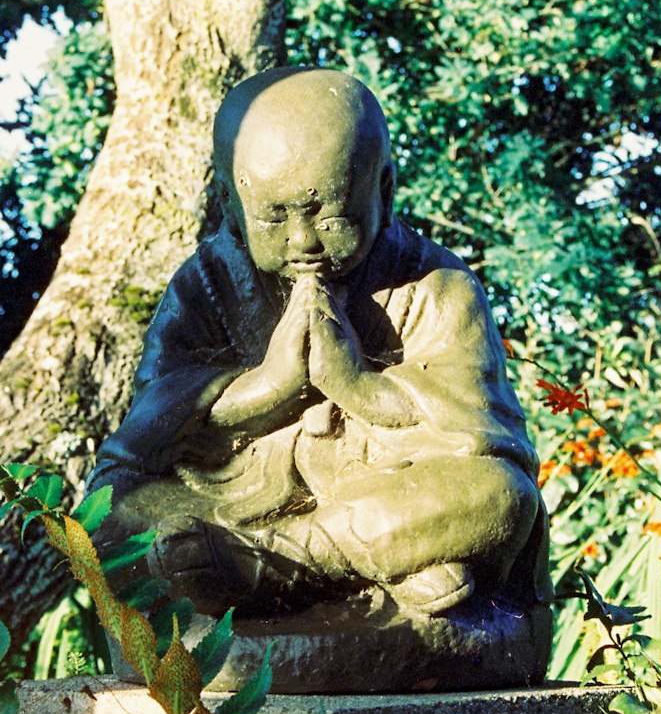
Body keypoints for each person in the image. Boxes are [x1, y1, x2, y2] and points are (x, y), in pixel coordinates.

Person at [91, 67, 549, 622]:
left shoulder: (436, 283)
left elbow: (482, 432)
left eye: (331, 217)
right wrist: (266, 388)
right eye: (273, 217)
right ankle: (387, 567)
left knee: (500, 496)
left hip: (384, 491)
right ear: (227, 200)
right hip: (238, 497)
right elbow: (147, 430)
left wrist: (356, 386)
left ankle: (273, 564)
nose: (304, 241)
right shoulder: (206, 284)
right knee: (110, 511)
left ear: (383, 189)